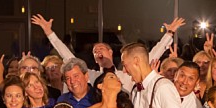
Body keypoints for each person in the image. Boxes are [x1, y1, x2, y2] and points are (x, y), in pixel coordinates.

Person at [30, 14, 182, 89]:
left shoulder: (127, 74)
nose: (98, 51)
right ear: (94, 59)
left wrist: (169, 34)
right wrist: (50, 33)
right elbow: (69, 58)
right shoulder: (92, 76)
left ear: (110, 52)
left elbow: (150, 56)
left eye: (101, 48)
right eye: (95, 51)